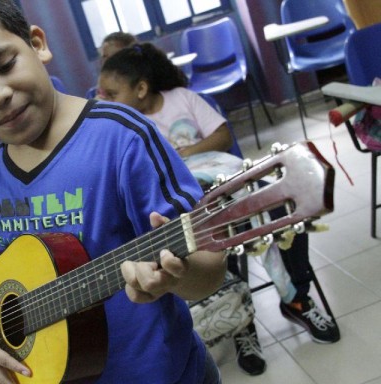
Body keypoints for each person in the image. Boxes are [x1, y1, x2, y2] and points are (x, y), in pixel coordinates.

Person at [0, 1, 227, 383]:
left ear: (37, 44)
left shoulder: (121, 138)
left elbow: (209, 268)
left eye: (4, 66)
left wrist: (177, 275)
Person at [99, 42, 340, 375]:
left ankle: (297, 297)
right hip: (189, 207)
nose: (103, 102)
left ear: (140, 88)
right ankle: (242, 325)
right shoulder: (119, 130)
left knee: (280, 215)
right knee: (221, 239)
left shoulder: (183, 99)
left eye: (111, 94)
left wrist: (183, 156)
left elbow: (223, 136)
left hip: (222, 178)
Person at [86, 31, 138, 99]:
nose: (107, 62)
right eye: (104, 57)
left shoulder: (137, 90)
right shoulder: (93, 94)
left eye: (113, 57)